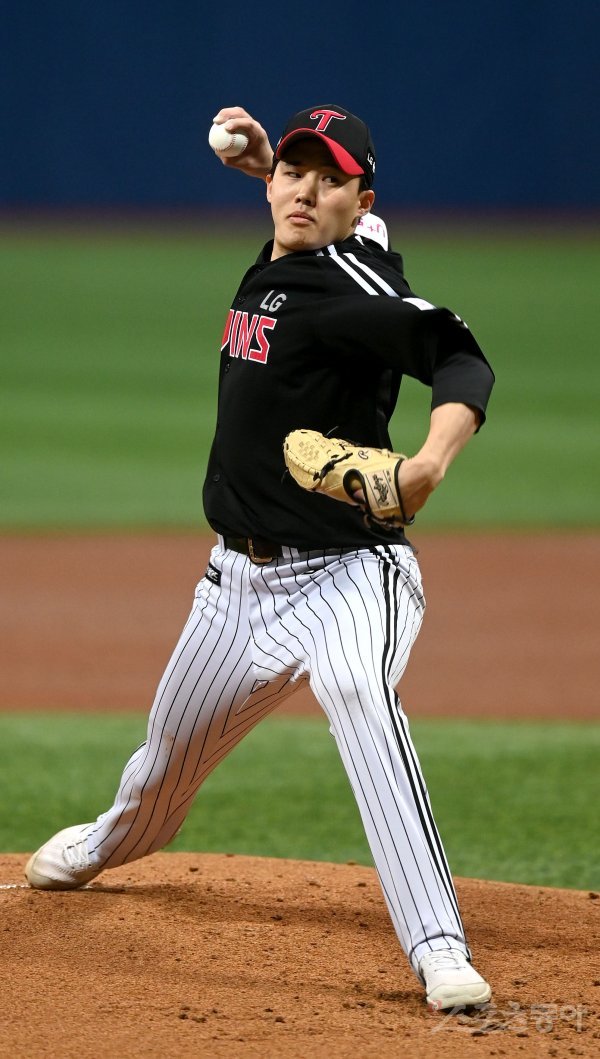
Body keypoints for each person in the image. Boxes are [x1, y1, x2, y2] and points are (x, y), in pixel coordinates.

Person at [26, 103, 495, 1013]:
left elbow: (458, 354)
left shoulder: (354, 285)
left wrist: (430, 462)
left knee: (359, 694)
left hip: (349, 572)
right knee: (165, 762)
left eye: (330, 181)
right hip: (233, 586)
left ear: (364, 201)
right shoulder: (296, 246)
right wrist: (270, 170)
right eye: (293, 173)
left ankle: (439, 946)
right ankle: (109, 841)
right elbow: (311, 212)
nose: (305, 192)